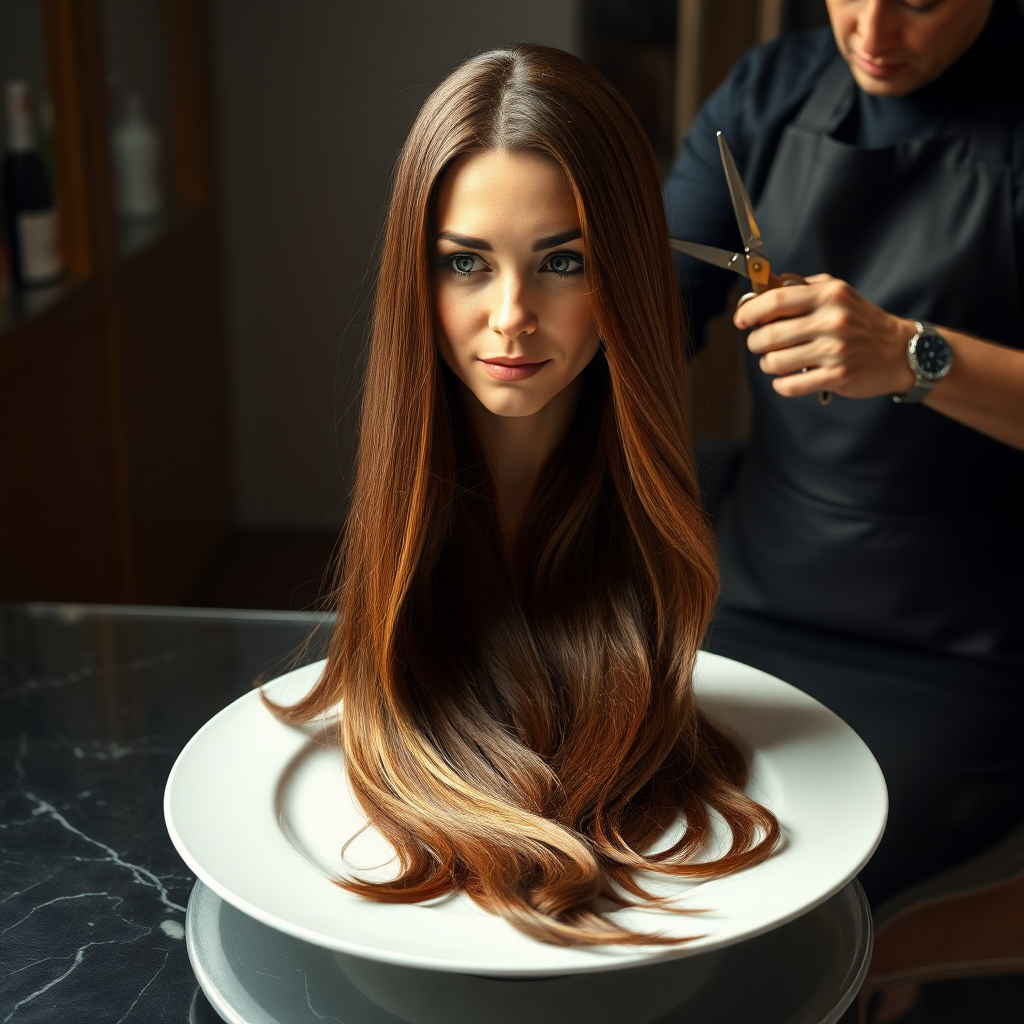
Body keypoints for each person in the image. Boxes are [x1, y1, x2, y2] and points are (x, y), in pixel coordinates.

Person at [267, 44, 779, 947]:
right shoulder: (413, 555)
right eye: (466, 264)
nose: (511, 315)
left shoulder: (647, 551)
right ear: (416, 278)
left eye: (564, 263)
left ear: (620, 271)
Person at [665, 0, 1024, 906]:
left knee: (797, 881)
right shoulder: (769, 90)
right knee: (649, 825)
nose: (870, 33)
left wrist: (911, 354)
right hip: (755, 579)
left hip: (966, 645)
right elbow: (654, 310)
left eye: (917, 3)